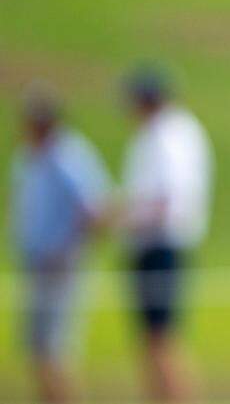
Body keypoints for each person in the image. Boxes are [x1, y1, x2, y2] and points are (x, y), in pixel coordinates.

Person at [9, 86, 109, 403]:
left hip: (60, 265)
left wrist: (68, 250)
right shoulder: (29, 156)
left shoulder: (69, 155)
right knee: (37, 346)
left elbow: (94, 209)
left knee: (56, 348)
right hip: (35, 262)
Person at [121, 66, 213, 402]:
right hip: (161, 243)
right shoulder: (176, 130)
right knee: (155, 338)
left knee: (160, 338)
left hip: (161, 244)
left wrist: (122, 217)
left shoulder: (165, 135)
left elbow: (164, 200)